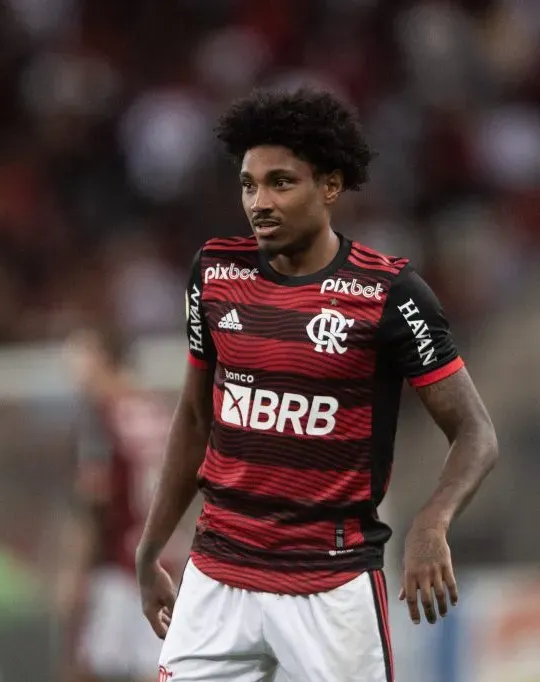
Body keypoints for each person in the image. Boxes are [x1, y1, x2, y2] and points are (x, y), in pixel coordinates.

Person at [135, 88, 499, 682]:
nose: (260, 202)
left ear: (330, 186)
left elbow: (476, 433)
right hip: (218, 574)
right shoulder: (216, 274)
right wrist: (151, 549)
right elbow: (196, 420)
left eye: (281, 182)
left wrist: (432, 522)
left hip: (329, 583)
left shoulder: (389, 295)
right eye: (249, 184)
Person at [57, 327, 174, 682]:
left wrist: (74, 572)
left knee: (88, 669)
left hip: (120, 567)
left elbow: (96, 501)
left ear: (104, 360)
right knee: (151, 669)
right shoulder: (155, 409)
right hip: (162, 560)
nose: (74, 370)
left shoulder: (102, 417)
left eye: (82, 357)